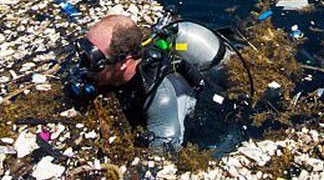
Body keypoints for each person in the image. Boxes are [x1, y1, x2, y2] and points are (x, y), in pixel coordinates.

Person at [76, 14, 236, 150]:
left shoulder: (159, 97)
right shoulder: (119, 62)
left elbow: (165, 153)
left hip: (203, 113)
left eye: (93, 60)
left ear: (123, 63)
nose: (83, 66)